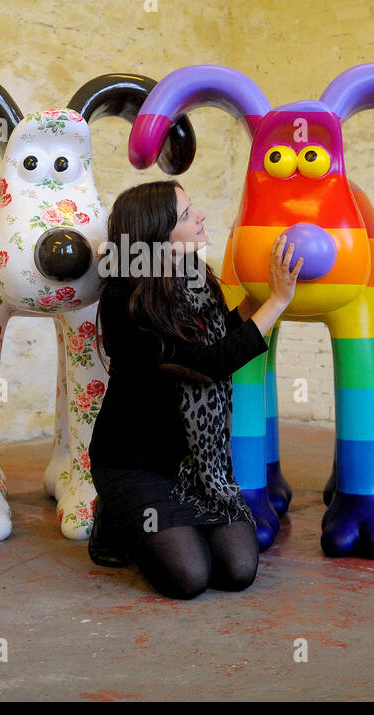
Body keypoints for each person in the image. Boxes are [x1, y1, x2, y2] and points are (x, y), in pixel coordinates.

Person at [86, 179, 301, 599]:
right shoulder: (123, 299)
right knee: (188, 577)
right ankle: (113, 515)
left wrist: (254, 301)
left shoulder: (194, 280)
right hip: (135, 466)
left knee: (238, 569)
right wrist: (278, 302)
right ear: (156, 236)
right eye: (186, 215)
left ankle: (167, 525)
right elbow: (207, 365)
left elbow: (218, 339)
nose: (199, 215)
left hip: (196, 469)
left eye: (192, 207)